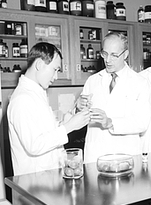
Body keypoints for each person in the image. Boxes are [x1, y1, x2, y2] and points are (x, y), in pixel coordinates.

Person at [7, 42, 90, 175]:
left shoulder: (37, 94)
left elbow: (45, 131)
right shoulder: (22, 99)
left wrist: (69, 119)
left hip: (48, 177)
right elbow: (34, 145)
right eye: (55, 69)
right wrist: (69, 127)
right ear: (39, 65)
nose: (56, 77)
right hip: (34, 182)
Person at [76, 32, 151, 163]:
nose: (107, 60)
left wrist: (110, 122)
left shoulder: (140, 83)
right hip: (95, 155)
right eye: (104, 54)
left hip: (125, 155)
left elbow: (142, 122)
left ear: (125, 55)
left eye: (114, 55)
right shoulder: (92, 81)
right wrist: (78, 109)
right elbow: (81, 118)